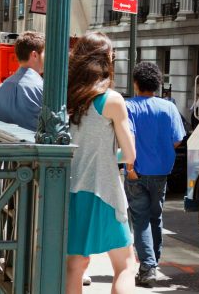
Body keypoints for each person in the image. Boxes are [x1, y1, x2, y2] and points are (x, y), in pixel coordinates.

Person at [65, 33, 137, 294]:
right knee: (126, 265)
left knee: (75, 265)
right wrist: (110, 154)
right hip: (103, 191)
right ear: (107, 60)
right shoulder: (112, 101)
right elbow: (129, 155)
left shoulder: (62, 97)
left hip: (68, 191)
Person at [124, 62, 186, 286]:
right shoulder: (168, 107)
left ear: (136, 83)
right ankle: (153, 262)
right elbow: (178, 139)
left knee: (140, 219)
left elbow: (126, 138)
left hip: (136, 171)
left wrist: (129, 168)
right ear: (157, 84)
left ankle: (148, 265)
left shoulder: (128, 106)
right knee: (155, 217)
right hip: (161, 171)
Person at [0, 31, 45, 130]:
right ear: (34, 55)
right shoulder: (43, 88)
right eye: (45, 53)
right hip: (33, 144)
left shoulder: (1, 88)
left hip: (5, 143)